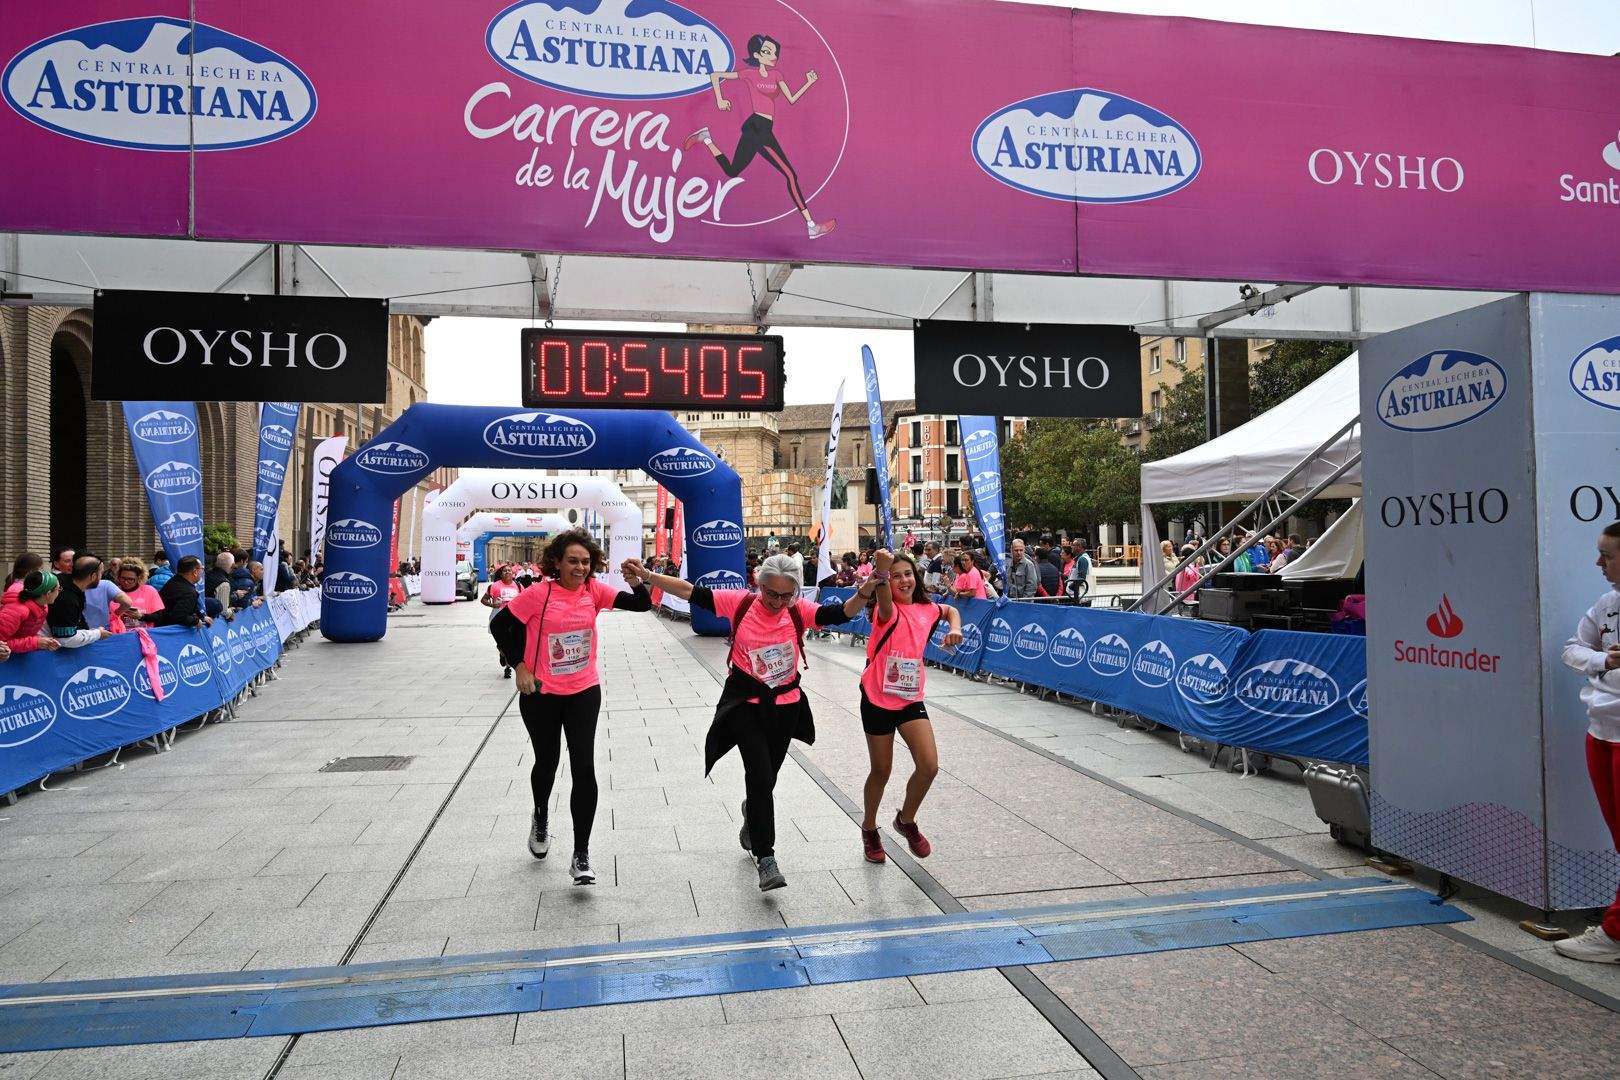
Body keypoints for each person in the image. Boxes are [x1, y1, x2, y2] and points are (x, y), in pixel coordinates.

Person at [632, 552, 859, 891]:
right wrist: (649, 576)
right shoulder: (739, 603)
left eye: (787, 595)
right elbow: (689, 591)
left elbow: (839, 613)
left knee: (767, 779)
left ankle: (751, 812)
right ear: (758, 585)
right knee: (759, 774)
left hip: (786, 704)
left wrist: (868, 590)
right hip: (745, 703)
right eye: (772, 594)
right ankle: (766, 858)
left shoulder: (797, 611)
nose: (779, 602)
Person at [488, 529, 652, 886]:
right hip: (541, 693)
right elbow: (500, 624)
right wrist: (519, 666)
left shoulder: (594, 591)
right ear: (557, 563)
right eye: (573, 561)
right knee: (546, 762)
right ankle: (542, 815)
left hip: (583, 691)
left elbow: (641, 605)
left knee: (584, 767)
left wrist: (637, 581)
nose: (580, 567)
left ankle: (581, 854)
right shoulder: (538, 593)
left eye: (586, 561)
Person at [855, 549, 961, 863]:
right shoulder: (885, 612)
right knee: (882, 770)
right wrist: (883, 568)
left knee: (929, 766)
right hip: (877, 697)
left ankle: (906, 820)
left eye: (908, 574)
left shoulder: (928, 609)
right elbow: (884, 594)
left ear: (916, 576)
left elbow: (949, 611)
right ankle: (870, 828)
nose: (904, 580)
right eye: (897, 575)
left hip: (910, 697)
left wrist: (955, 629)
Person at [684, 33, 836, 240]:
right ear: (757, 55)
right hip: (757, 127)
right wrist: (720, 99)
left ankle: (707, 138)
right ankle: (811, 226)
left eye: (774, 52)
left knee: (732, 171)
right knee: (790, 175)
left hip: (763, 129)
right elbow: (715, 76)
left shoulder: (777, 75)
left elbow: (791, 98)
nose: (772, 55)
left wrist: (808, 82)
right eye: (767, 52)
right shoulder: (749, 74)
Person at [1556, 521, 1620, 964]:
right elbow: (1571, 650)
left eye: (1607, 555)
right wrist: (1602, 658)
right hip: (1601, 731)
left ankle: (1614, 933)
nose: (1598, 563)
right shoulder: (1607, 603)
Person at [46, 558, 114, 647]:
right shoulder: (68, 599)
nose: (101, 576)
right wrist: (98, 634)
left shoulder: (71, 587)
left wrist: (91, 632)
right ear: (93, 576)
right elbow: (65, 639)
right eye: (100, 573)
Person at [1, 571, 64, 655]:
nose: (59, 592)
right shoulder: (16, 611)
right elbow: (2, 645)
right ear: (48, 594)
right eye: (58, 589)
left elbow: (24, 635)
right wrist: (35, 642)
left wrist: (44, 642)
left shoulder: (42, 605)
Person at [146, 556, 211, 628]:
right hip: (166, 631)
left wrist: (201, 616)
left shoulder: (174, 581)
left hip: (157, 626)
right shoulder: (189, 592)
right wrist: (196, 621)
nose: (202, 572)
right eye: (202, 568)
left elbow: (188, 606)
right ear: (195, 572)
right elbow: (178, 616)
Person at [481, 565, 522, 678]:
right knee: (501, 643)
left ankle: (508, 667)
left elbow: (525, 599)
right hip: (498, 619)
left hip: (514, 618)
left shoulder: (518, 585)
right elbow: (483, 600)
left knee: (511, 643)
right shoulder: (494, 586)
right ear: (501, 573)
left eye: (509, 570)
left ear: (513, 573)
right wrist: (493, 604)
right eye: (505, 571)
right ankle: (502, 653)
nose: (507, 572)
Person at [207, 552, 236, 617]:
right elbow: (223, 611)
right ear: (232, 565)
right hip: (213, 619)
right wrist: (231, 611)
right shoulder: (224, 584)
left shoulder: (206, 574)